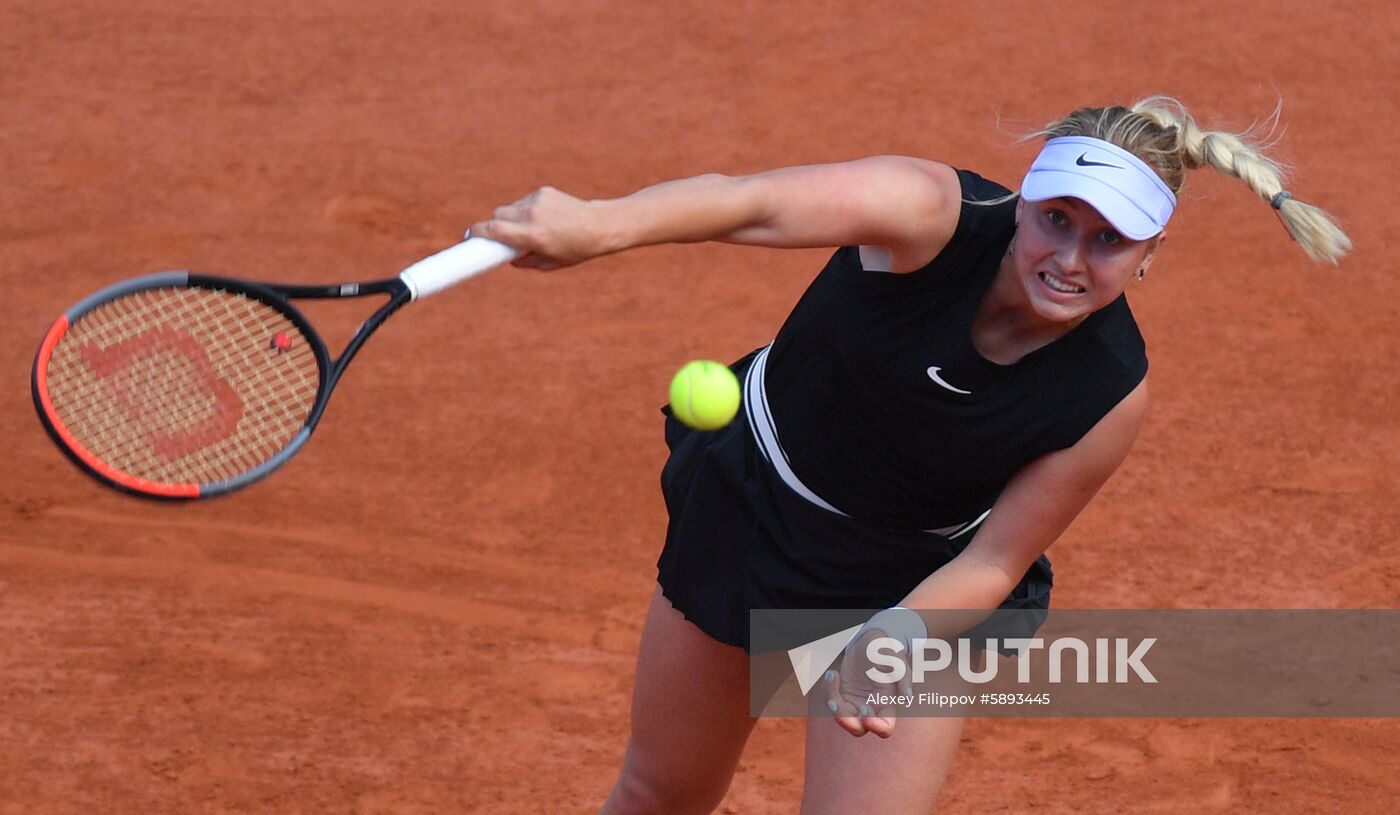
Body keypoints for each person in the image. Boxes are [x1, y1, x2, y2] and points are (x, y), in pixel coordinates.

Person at [469, 97, 1351, 815]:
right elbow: (753, 200)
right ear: (1021, 205)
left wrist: (898, 631)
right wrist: (602, 224)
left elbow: (997, 557)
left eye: (1109, 241)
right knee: (661, 792)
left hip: (915, 577)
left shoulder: (1109, 395)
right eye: (1055, 220)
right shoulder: (927, 212)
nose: (1069, 259)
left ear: (1150, 257)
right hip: (760, 503)